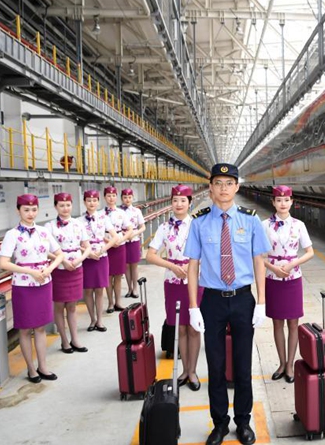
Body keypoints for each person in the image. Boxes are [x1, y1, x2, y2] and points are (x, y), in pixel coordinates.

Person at [185, 163, 271, 445]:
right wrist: (193, 307)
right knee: (216, 365)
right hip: (212, 301)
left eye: (228, 182)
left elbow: (259, 262)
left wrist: (261, 302)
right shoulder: (198, 222)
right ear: (210, 187)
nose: (223, 188)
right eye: (218, 183)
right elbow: (193, 266)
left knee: (244, 365)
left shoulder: (251, 220)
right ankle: (220, 423)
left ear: (237, 187)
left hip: (243, 298)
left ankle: (243, 422)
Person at [0, 194, 64, 382]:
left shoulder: (44, 232)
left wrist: (49, 268)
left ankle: (43, 366)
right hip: (23, 286)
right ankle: (31, 369)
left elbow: (59, 254)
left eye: (34, 209)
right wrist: (29, 271)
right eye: (26, 210)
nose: (30, 213)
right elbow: (3, 263)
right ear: (18, 210)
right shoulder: (12, 234)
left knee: (41, 327)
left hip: (44, 282)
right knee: (26, 328)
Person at [147, 185, 202, 391]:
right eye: (175, 200)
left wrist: (190, 265)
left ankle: (193, 371)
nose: (178, 204)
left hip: (195, 281)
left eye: (182, 200)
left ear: (189, 203)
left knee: (194, 327)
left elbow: (207, 251)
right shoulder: (164, 228)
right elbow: (150, 255)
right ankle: (184, 371)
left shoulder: (197, 225)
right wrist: (172, 265)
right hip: (172, 282)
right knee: (180, 327)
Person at [263, 185, 314, 383]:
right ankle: (281, 363)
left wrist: (294, 263)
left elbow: (309, 252)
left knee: (293, 323)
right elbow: (256, 254)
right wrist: (273, 267)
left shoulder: (299, 225)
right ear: (273, 202)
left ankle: (291, 364)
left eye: (286, 200)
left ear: (292, 202)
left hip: (293, 278)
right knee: (277, 322)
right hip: (273, 277)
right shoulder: (264, 225)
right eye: (279, 200)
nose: (283, 204)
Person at [47, 192, 91, 354]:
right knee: (59, 305)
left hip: (76, 268)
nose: (65, 208)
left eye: (68, 205)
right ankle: (64, 341)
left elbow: (87, 247)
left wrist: (79, 261)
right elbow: (46, 250)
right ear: (55, 207)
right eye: (61, 205)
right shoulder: (49, 226)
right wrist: (63, 261)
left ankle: (75, 339)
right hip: (59, 270)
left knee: (72, 305)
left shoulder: (78, 224)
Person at [80, 190, 119, 332]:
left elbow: (114, 237)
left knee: (100, 289)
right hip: (87, 258)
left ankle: (100, 321)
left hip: (101, 257)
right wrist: (88, 253)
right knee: (88, 290)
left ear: (98, 202)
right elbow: (76, 243)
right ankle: (92, 320)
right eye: (89, 200)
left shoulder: (104, 218)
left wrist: (103, 250)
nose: (92, 203)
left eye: (94, 200)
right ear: (84, 202)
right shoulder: (78, 221)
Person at [104, 186, 132, 313]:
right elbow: (98, 233)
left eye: (113, 195)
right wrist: (109, 242)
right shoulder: (100, 214)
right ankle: (110, 303)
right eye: (108, 196)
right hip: (106, 246)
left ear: (116, 197)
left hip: (120, 245)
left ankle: (118, 302)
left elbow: (130, 229)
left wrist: (122, 239)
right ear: (104, 197)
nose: (111, 198)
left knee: (118, 276)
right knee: (109, 276)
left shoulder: (122, 213)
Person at [121, 188, 146, 299]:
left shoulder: (137, 211)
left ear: (133, 198)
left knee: (134, 265)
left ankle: (135, 288)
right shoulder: (119, 211)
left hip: (134, 240)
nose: (127, 199)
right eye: (125, 197)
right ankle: (129, 288)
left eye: (129, 197)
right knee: (126, 265)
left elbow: (143, 227)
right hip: (123, 240)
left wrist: (135, 233)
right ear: (121, 198)